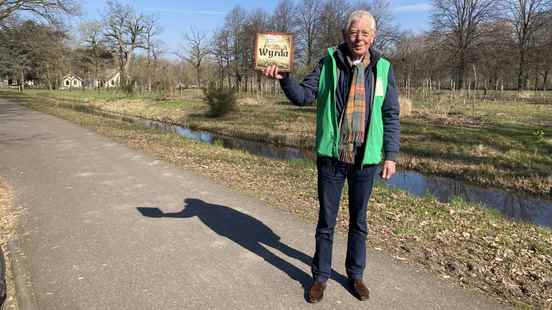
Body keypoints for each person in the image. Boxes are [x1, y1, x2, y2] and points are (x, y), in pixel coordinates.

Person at [263, 10, 400, 303]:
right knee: (326, 221)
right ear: (344, 34)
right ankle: (320, 276)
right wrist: (285, 79)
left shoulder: (384, 68)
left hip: (366, 159)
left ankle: (355, 275)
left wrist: (391, 155)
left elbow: (390, 114)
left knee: (358, 222)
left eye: (365, 33)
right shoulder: (327, 63)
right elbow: (303, 96)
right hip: (332, 158)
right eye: (353, 32)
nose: (358, 38)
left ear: (373, 37)